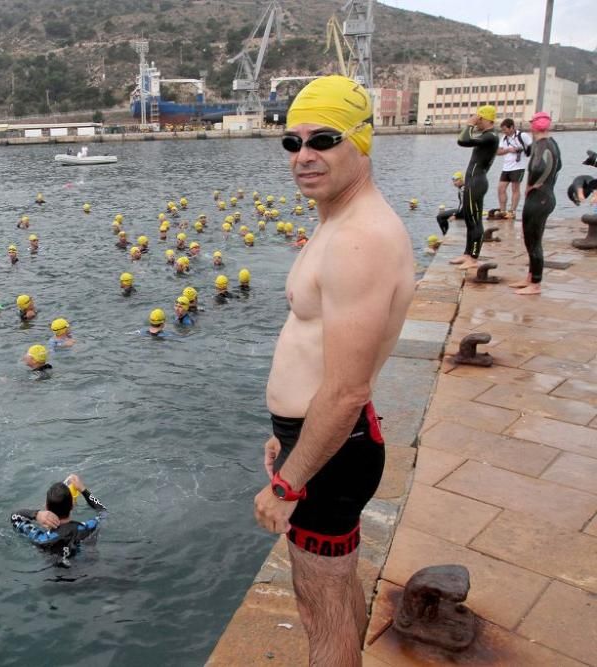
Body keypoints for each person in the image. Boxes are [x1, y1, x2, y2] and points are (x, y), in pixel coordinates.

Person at [255, 75, 414, 667]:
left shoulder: (359, 240)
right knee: (335, 590)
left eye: (323, 138)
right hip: (325, 441)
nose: (304, 156)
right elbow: (321, 352)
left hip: (331, 452)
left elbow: (348, 388)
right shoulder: (339, 222)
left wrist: (289, 483)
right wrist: (287, 431)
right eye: (292, 143)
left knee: (320, 612)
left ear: (363, 142)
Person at [509, 112, 561, 296]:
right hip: (546, 196)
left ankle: (536, 283)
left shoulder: (540, 145)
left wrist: (531, 184)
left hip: (539, 198)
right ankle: (531, 276)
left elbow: (538, 167)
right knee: (530, 239)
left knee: (533, 240)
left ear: (533, 126)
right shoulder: (552, 143)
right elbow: (558, 166)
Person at [10, 473, 107, 562]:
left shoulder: (41, 539)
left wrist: (36, 514)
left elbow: (14, 517)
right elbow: (103, 511)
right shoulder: (88, 528)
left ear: (46, 508)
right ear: (72, 506)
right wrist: (83, 490)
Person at [454, 105, 499, 269]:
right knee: (468, 218)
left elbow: (463, 140)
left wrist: (470, 124)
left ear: (486, 119)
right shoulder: (487, 136)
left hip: (478, 182)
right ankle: (467, 253)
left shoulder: (491, 136)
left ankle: (473, 258)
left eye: (480, 119)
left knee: (475, 221)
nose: (477, 121)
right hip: (473, 181)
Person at [496, 118, 531, 219]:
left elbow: (532, 146)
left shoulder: (522, 135)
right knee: (501, 188)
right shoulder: (504, 138)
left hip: (518, 166)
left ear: (512, 127)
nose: (504, 132)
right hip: (506, 167)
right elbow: (498, 152)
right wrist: (508, 150)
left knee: (515, 189)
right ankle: (502, 211)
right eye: (502, 130)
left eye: (505, 129)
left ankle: (512, 211)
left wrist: (522, 151)